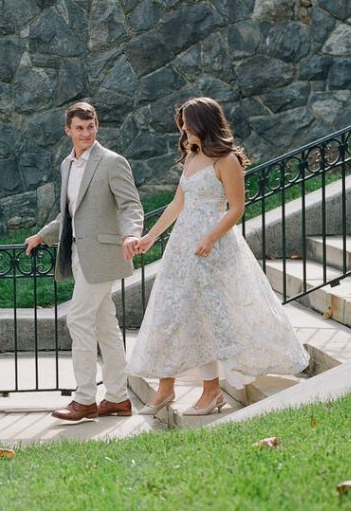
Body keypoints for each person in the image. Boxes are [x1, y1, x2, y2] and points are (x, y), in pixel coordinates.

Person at [128, 97, 309, 416]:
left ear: (202, 123)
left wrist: (210, 237)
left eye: (186, 122)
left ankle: (212, 392)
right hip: (183, 246)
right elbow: (176, 204)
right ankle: (166, 387)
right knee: (170, 311)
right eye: (181, 122)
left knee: (206, 317)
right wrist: (150, 237)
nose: (182, 128)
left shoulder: (226, 159)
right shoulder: (191, 156)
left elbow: (236, 209)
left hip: (212, 247)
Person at [24, 102, 143, 421]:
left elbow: (131, 205)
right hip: (78, 255)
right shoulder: (67, 165)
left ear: (97, 127)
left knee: (77, 318)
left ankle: (85, 399)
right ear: (68, 131)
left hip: (104, 256)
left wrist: (132, 234)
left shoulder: (112, 162)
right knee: (106, 327)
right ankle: (118, 398)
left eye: (90, 127)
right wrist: (41, 235)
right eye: (79, 128)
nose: (86, 133)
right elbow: (70, 213)